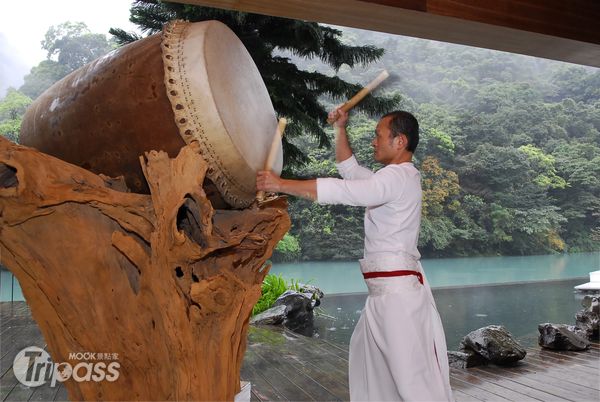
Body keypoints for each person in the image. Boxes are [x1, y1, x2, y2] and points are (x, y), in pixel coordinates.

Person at [256, 108, 453, 401]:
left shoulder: (397, 178)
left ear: (399, 141)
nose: (373, 142)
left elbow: (344, 190)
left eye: (378, 136)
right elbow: (348, 170)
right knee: (373, 370)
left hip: (398, 298)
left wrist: (279, 184)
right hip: (384, 295)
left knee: (413, 381)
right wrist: (340, 128)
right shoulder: (392, 178)